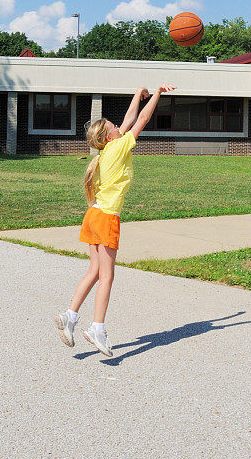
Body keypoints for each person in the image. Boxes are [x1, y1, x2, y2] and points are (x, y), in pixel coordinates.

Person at [55, 83, 176, 357]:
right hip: (107, 217)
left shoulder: (105, 152)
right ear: (109, 136)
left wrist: (138, 93)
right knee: (107, 275)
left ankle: (70, 316)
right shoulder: (119, 148)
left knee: (94, 271)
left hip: (93, 215)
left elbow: (128, 119)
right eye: (113, 126)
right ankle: (97, 328)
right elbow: (141, 119)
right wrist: (157, 94)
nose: (118, 127)